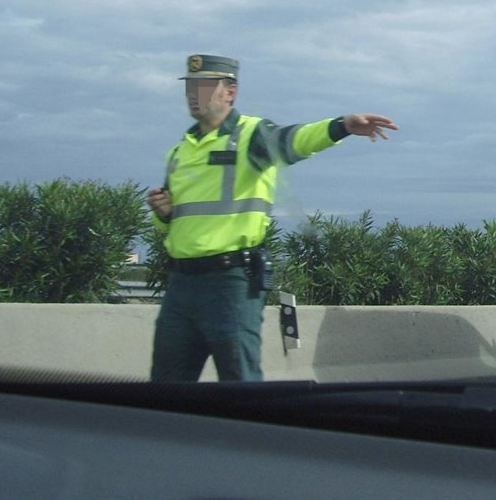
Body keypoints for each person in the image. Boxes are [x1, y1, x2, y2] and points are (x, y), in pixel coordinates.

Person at [146, 54, 398, 381]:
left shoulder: (250, 135)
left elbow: (294, 141)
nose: (195, 95)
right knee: (165, 386)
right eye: (190, 87)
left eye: (205, 86)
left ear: (231, 91)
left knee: (239, 382)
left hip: (230, 281)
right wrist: (164, 215)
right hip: (180, 284)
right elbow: (172, 223)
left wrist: (341, 126)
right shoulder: (180, 151)